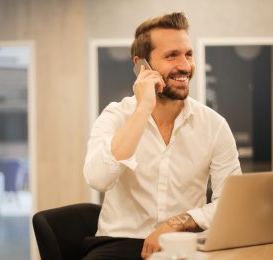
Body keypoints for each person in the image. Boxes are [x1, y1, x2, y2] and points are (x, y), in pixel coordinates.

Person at [83, 12, 241, 259]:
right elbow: (98, 179)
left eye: (188, 54)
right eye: (172, 56)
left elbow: (230, 203)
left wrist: (176, 223)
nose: (185, 66)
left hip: (185, 244)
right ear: (141, 65)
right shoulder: (115, 116)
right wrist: (143, 108)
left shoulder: (214, 125)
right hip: (120, 244)